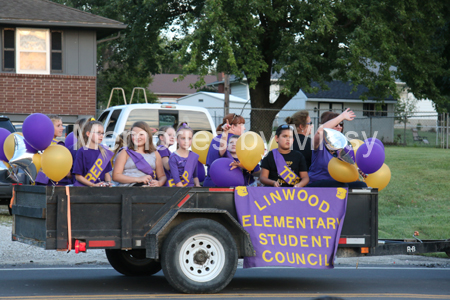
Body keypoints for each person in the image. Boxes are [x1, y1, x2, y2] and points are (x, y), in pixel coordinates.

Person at [307, 109, 367, 188]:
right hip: (317, 182)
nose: (339, 127)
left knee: (362, 185)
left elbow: (347, 167)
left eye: (341, 124)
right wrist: (341, 117)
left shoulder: (344, 146)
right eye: (336, 124)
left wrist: (357, 171)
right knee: (341, 186)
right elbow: (320, 131)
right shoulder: (319, 143)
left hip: (338, 182)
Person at [113, 121, 166, 187]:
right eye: (134, 134)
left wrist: (159, 183)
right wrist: (138, 179)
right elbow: (116, 176)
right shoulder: (124, 152)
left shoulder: (155, 154)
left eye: (141, 134)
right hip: (128, 189)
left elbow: (162, 176)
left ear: (148, 135)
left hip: (147, 189)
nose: (137, 137)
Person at [203, 113, 246, 187]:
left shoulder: (215, 139)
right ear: (232, 127)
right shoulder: (239, 141)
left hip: (209, 184)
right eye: (242, 125)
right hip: (227, 187)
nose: (244, 128)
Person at [73, 121, 113, 187]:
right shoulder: (82, 151)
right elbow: (78, 176)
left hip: (101, 188)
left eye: (102, 133)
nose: (101, 136)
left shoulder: (104, 151)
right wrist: (93, 185)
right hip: (85, 189)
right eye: (98, 133)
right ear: (88, 134)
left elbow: (106, 173)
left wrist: (108, 183)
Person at [35, 114, 71, 185]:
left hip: (39, 180)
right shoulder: (59, 145)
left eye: (62, 125)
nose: (62, 128)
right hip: (55, 183)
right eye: (58, 126)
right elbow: (65, 169)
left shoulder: (38, 143)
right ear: (49, 128)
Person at [167, 123, 200, 187]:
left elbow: (195, 176)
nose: (186, 141)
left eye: (189, 138)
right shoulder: (173, 157)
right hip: (177, 190)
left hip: (191, 189)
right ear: (177, 140)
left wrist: (198, 185)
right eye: (183, 138)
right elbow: (177, 181)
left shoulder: (193, 156)